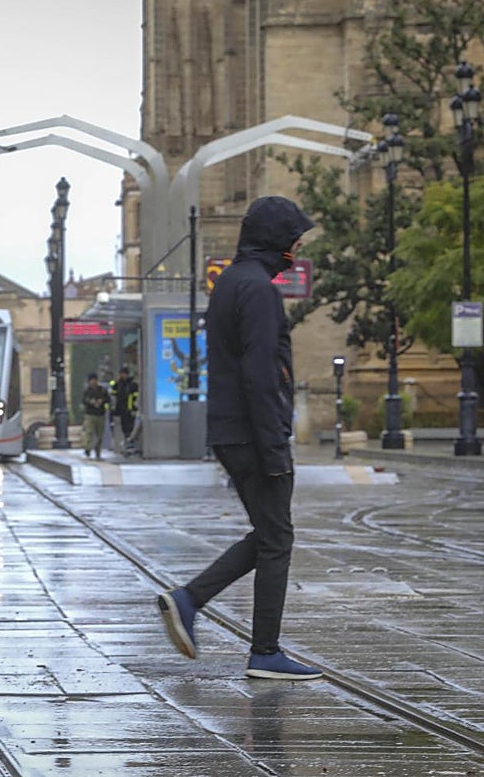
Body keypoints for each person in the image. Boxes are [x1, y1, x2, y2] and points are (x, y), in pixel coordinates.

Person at [157, 195, 322, 681]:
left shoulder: (231, 282)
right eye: (294, 238)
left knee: (271, 534)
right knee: (278, 539)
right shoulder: (259, 291)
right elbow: (261, 374)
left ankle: (189, 600)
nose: (297, 246)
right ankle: (263, 651)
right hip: (254, 434)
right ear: (275, 238)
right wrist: (274, 445)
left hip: (231, 431)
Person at [81, 373, 110, 458]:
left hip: (100, 414)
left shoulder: (102, 390)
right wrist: (91, 402)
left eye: (95, 380)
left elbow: (108, 399)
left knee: (99, 435)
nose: (93, 382)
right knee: (89, 432)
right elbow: (84, 400)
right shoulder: (87, 391)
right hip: (90, 414)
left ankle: (97, 451)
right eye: (91, 380)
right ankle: (88, 448)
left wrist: (102, 401)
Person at [111, 366, 139, 452]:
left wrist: (134, 407)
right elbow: (113, 390)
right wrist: (116, 382)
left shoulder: (132, 384)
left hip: (130, 409)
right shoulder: (118, 384)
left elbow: (135, 396)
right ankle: (127, 443)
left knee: (130, 427)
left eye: (123, 374)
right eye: (121, 374)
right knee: (124, 427)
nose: (122, 376)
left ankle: (131, 443)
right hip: (121, 409)